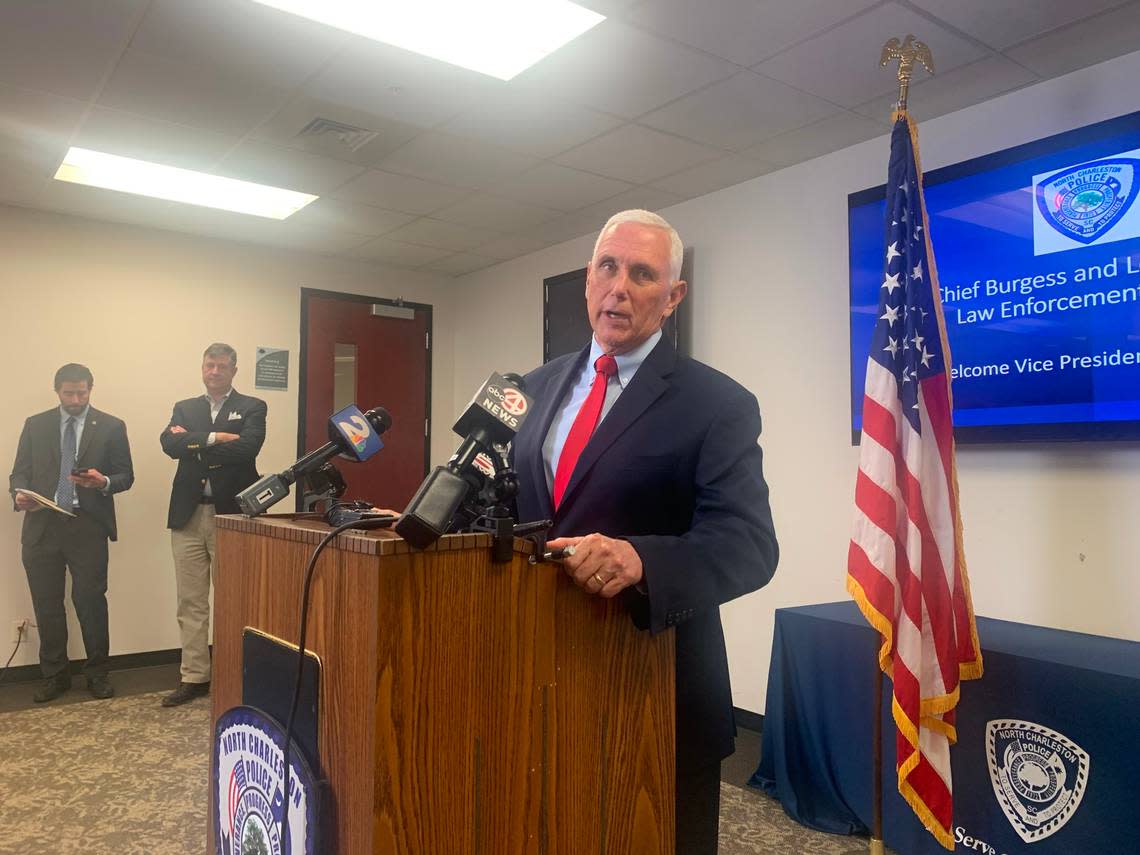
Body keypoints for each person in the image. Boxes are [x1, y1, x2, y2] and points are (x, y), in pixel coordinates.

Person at [511, 210, 779, 853]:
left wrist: (641, 561)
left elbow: (749, 544)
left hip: (658, 686)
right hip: (536, 673)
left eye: (642, 274)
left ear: (673, 296)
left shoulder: (718, 404)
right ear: (587, 279)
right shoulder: (536, 386)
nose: (620, 287)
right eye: (608, 267)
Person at [8, 363, 135, 702]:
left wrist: (103, 481)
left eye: (82, 392)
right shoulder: (35, 425)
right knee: (47, 604)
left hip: (87, 525)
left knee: (91, 603)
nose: (76, 399)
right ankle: (54, 675)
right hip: (42, 526)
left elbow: (126, 475)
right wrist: (19, 495)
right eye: (69, 393)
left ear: (91, 389)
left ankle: (97, 674)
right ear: (57, 391)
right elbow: (18, 473)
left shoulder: (111, 426)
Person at [159, 343, 266, 707]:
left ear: (234, 370)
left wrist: (193, 443)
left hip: (231, 516)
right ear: (202, 368)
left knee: (233, 599)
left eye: (222, 366)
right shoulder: (185, 407)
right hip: (188, 515)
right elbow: (168, 444)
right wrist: (215, 438)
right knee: (190, 602)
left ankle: (234, 673)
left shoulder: (252, 406)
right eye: (209, 365)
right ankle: (194, 677)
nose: (215, 371)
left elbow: (248, 449)